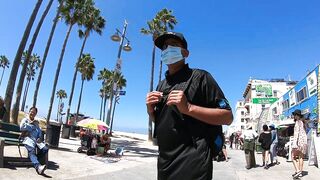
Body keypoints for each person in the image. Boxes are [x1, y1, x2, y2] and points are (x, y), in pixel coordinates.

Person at [146, 32, 233, 180]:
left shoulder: (201, 77)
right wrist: (151, 112)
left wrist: (189, 108)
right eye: (165, 46)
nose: (167, 49)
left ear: (185, 53)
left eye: (173, 44)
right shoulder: (161, 85)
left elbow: (227, 116)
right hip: (165, 162)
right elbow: (165, 123)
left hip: (193, 161)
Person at [19, 107, 48, 175]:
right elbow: (22, 127)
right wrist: (32, 125)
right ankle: (38, 167)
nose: (32, 113)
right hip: (28, 139)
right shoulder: (25, 120)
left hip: (36, 140)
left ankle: (35, 160)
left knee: (45, 149)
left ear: (35, 114)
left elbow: (39, 131)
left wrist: (40, 138)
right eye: (31, 111)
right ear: (29, 112)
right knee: (32, 151)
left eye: (34, 113)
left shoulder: (37, 122)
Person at [291, 109, 307, 178]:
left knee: (293, 157)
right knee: (301, 157)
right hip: (304, 142)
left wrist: (294, 143)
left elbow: (296, 134)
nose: (294, 116)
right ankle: (300, 172)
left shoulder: (297, 123)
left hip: (299, 142)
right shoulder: (303, 122)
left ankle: (297, 170)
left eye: (294, 115)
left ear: (297, 115)